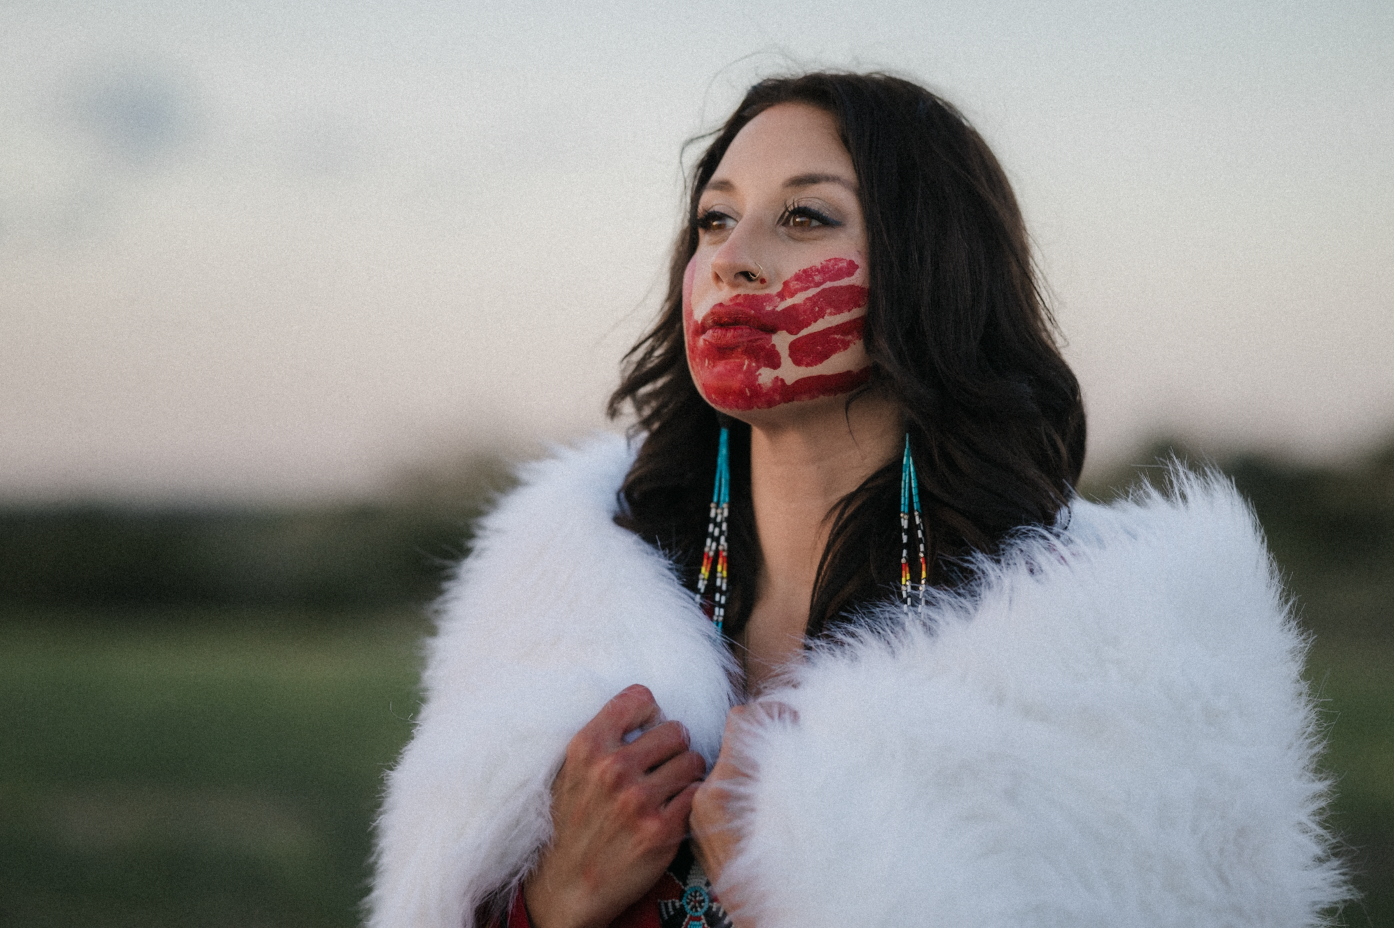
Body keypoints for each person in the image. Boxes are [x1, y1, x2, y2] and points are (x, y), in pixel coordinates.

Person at [368, 73, 1346, 928]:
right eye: (714, 218)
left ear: (928, 270)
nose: (732, 257)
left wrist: (793, 895)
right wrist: (551, 903)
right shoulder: (558, 610)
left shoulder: (1107, 653)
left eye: (804, 216)